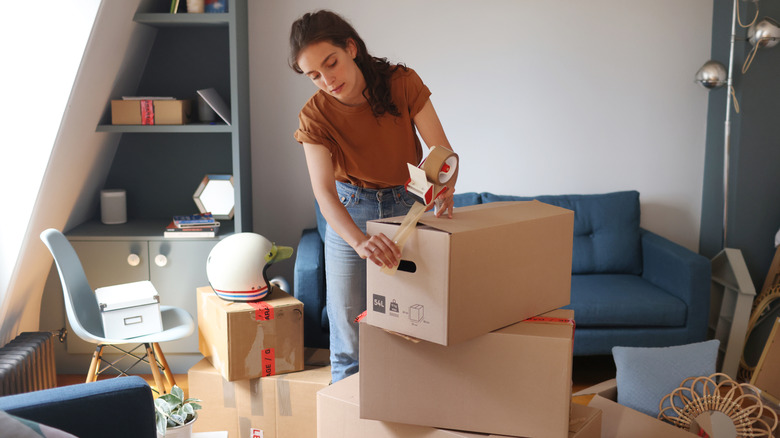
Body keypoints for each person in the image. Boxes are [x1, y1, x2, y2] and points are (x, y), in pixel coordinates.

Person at [289, 10, 456, 382]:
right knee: (348, 339)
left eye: (331, 63)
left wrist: (446, 182)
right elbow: (323, 192)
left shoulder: (401, 83)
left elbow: (440, 150)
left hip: (408, 201)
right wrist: (360, 242)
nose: (326, 80)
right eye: (314, 75)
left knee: (419, 324)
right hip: (351, 209)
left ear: (351, 48)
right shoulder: (313, 117)